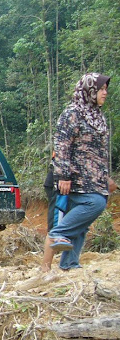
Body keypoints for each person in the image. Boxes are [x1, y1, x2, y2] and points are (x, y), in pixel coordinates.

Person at [42, 73, 117, 272]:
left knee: (82, 224)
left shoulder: (97, 116)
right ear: (89, 90)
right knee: (95, 203)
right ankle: (57, 239)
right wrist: (63, 176)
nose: (105, 93)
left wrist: (105, 177)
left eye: (105, 89)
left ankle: (69, 264)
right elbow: (62, 145)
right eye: (101, 89)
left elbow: (95, 153)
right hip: (72, 179)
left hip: (92, 179)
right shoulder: (72, 113)